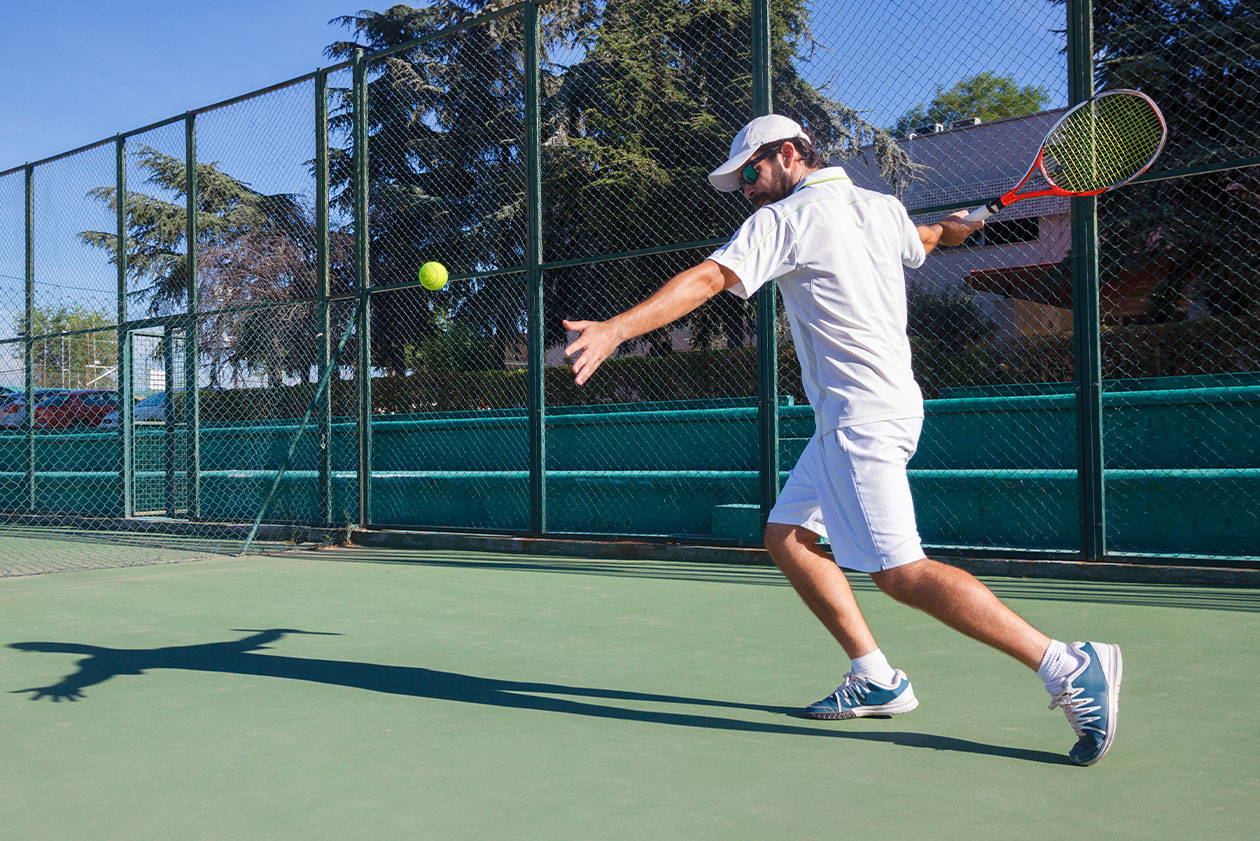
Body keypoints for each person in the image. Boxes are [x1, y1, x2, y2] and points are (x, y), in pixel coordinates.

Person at [562, 114, 1121, 766]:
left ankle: (1064, 663)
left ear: (790, 152)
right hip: (881, 411)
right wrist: (954, 228)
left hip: (859, 420)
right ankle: (875, 674)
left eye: (750, 171)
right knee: (788, 535)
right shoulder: (880, 209)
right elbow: (927, 236)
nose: (745, 187)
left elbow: (710, 279)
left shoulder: (783, 220)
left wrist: (616, 329)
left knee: (901, 573)